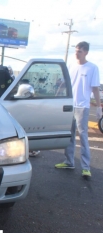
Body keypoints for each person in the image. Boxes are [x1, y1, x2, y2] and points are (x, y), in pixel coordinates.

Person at [55, 41, 101, 179]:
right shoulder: (71, 65)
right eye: (76, 50)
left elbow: (95, 88)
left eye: (79, 51)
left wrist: (99, 106)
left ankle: (86, 167)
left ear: (86, 52)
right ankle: (69, 161)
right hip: (70, 105)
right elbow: (64, 83)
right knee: (69, 135)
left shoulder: (92, 68)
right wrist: (57, 97)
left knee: (83, 136)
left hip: (82, 106)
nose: (77, 53)